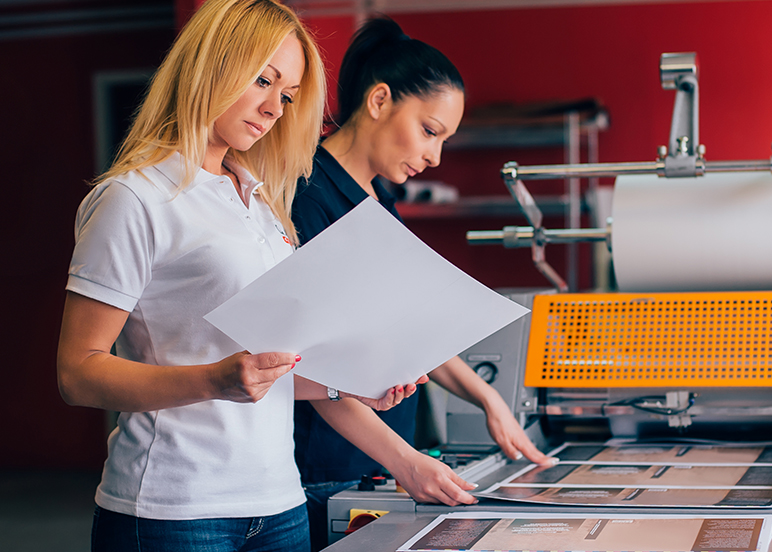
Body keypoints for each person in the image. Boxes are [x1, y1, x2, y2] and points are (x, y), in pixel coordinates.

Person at [55, 1, 424, 549]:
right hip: (174, 511)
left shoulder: (259, 202)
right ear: (211, 64)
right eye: (263, 80)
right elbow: (77, 374)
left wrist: (348, 385)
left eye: (288, 95)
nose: (276, 107)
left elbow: (258, 377)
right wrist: (212, 380)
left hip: (279, 504)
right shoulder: (134, 198)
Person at [291, 16, 553, 551]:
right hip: (325, 469)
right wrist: (405, 463)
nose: (435, 156)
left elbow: (409, 328)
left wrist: (489, 400)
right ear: (380, 100)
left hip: (382, 462)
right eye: (430, 131)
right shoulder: (309, 197)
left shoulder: (380, 200)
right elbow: (308, 366)